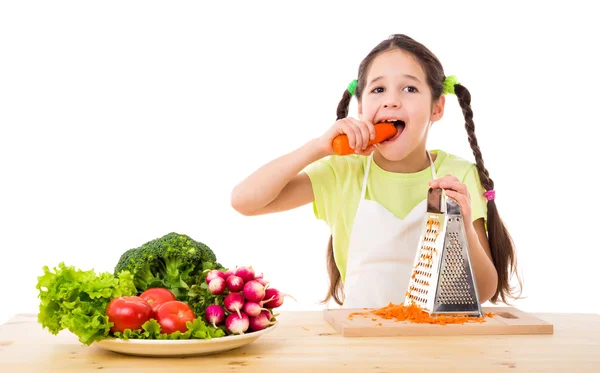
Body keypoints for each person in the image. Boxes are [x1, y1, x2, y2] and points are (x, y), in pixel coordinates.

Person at [231, 34, 522, 309]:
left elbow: (483, 290)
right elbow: (244, 201)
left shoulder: (457, 173)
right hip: (361, 343)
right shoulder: (341, 172)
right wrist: (318, 147)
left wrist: (464, 222)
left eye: (410, 88)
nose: (391, 101)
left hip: (436, 344)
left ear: (437, 107)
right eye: (378, 89)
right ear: (360, 107)